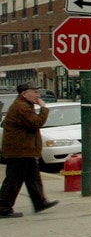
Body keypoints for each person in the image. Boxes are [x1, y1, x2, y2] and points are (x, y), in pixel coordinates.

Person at [0, 82, 58, 218]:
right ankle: (2, 207)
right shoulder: (22, 107)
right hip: (20, 151)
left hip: (25, 150)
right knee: (14, 180)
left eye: (38, 92)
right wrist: (44, 108)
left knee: (33, 177)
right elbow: (36, 123)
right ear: (24, 94)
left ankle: (40, 202)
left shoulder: (25, 105)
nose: (38, 95)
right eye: (35, 92)